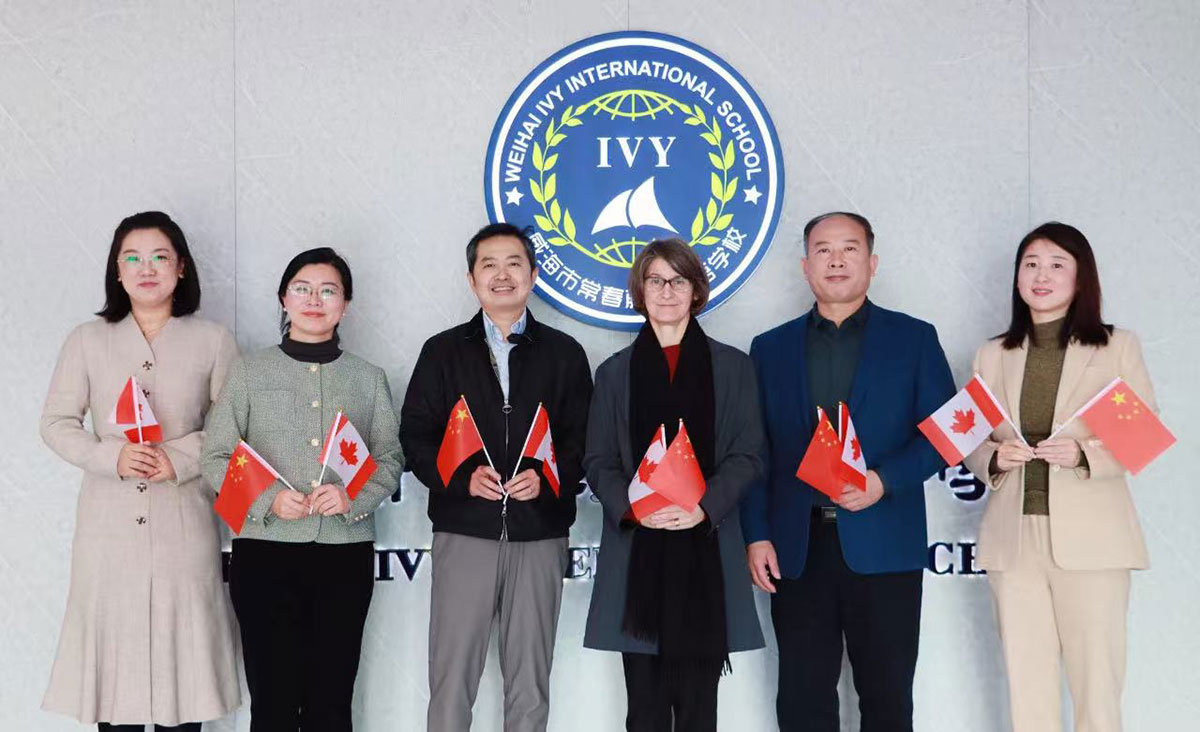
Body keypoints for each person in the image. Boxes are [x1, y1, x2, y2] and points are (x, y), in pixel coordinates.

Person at [742, 212, 955, 732]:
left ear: (872, 263)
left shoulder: (914, 338)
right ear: (805, 265)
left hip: (885, 545)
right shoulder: (769, 348)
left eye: (849, 249)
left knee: (887, 700)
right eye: (823, 250)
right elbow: (754, 451)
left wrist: (884, 480)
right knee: (802, 701)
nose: (835, 260)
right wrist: (757, 535)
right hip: (798, 549)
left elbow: (946, 435)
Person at [40, 211, 241, 731]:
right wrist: (111, 457)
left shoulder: (213, 340)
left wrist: (181, 457)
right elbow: (57, 423)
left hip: (183, 525)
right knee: (116, 691)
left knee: (185, 687)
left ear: (181, 267)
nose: (145, 268)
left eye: (159, 257)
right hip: (107, 530)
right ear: (117, 270)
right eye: (132, 257)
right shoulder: (87, 339)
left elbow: (234, 428)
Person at [963, 222, 1157, 732]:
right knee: (1027, 691)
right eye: (1030, 264)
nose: (1041, 276)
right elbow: (967, 439)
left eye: (1056, 265)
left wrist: (1084, 454)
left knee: (1097, 689)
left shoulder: (1115, 346)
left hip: (1094, 541)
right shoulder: (991, 354)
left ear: (1080, 277)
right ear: (1017, 278)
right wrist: (993, 459)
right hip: (1013, 542)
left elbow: (1141, 437)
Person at [400, 222, 592, 732]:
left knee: (530, 682)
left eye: (514, 264)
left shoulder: (565, 353)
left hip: (539, 532)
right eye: (489, 265)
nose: (502, 275)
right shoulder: (443, 351)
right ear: (472, 279)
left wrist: (549, 479)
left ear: (532, 275)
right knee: (451, 679)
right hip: (465, 531)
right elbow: (416, 435)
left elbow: (583, 440)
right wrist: (461, 478)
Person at [200, 247, 403, 731]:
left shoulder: (368, 378)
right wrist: (267, 499)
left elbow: (390, 459)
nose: (315, 300)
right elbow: (215, 456)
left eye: (329, 291)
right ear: (284, 299)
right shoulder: (249, 372)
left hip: (343, 554)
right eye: (303, 289)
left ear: (345, 305)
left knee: (331, 703)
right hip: (265, 553)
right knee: (272, 702)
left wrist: (352, 498)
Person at [583, 238, 765, 731]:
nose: (667, 291)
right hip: (638, 552)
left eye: (678, 280)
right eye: (655, 280)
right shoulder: (614, 373)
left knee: (699, 712)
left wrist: (704, 507)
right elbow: (598, 460)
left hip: (706, 547)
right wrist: (636, 508)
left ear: (696, 291)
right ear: (640, 291)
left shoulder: (733, 367)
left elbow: (748, 453)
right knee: (643, 713)